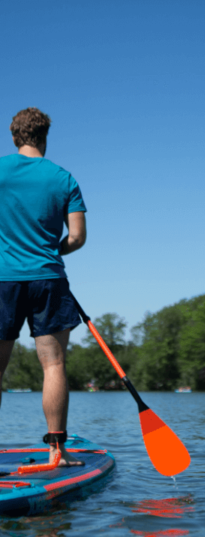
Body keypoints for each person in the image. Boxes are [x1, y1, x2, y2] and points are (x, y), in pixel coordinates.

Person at [0, 107, 87, 466]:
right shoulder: (63, 178)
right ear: (45, 137)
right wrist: (51, 249)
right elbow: (78, 238)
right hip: (48, 277)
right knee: (53, 364)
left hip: (3, 280)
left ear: (15, 136)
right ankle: (57, 451)